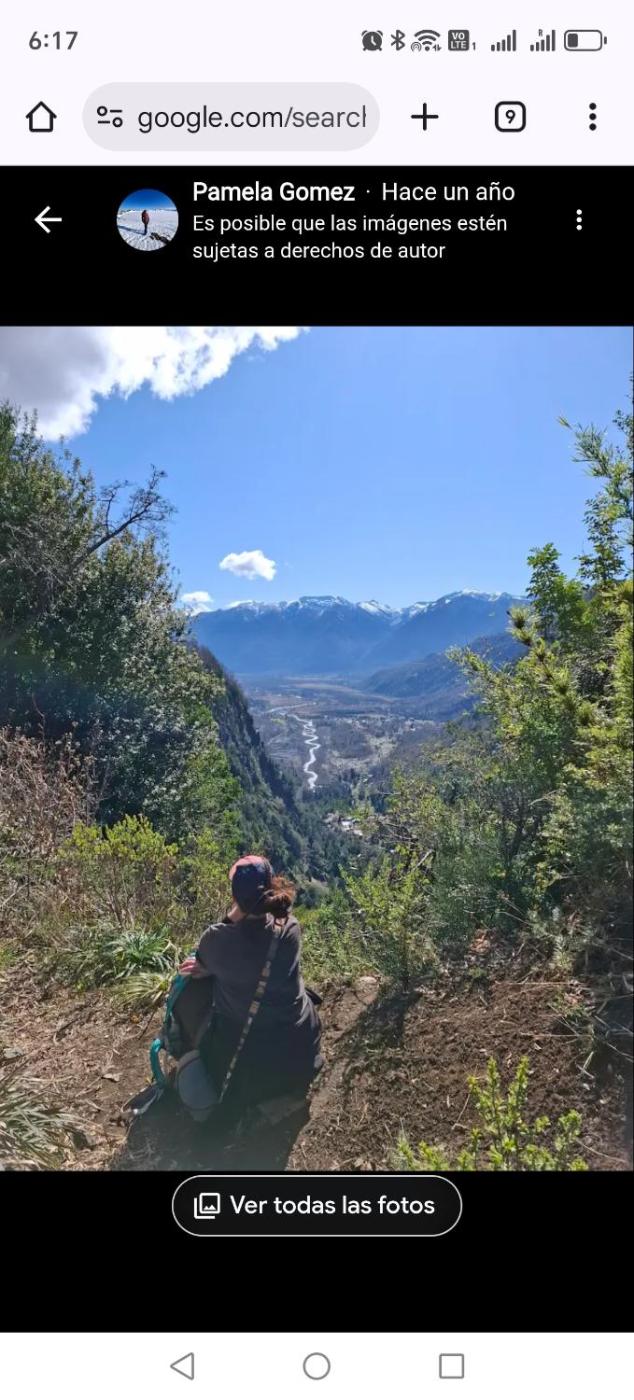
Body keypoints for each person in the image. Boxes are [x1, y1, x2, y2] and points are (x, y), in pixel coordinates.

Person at [176, 855, 323, 1117]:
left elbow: (201, 965)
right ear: (271, 886)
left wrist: (235, 913)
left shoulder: (216, 939)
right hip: (301, 1047)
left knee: (195, 992)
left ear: (234, 896)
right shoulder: (290, 928)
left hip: (251, 1060)